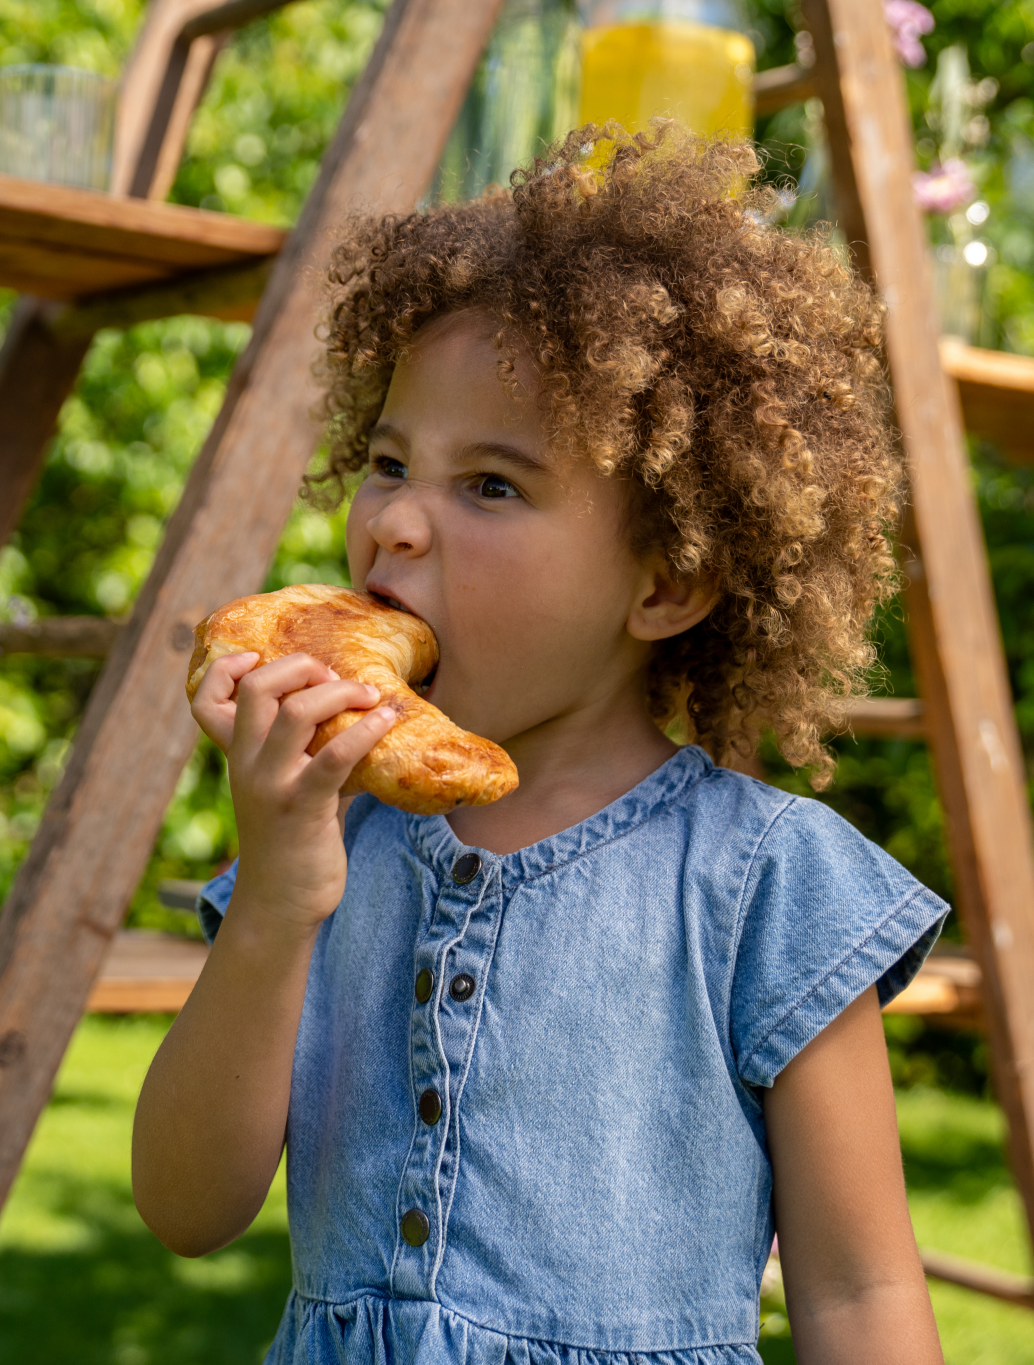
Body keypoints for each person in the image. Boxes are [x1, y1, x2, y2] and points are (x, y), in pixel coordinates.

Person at [132, 125, 947, 1365]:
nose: (395, 520)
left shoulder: (760, 887)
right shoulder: (325, 842)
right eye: (391, 461)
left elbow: (858, 1296)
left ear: (667, 584)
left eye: (491, 487)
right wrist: (273, 906)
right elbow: (187, 1208)